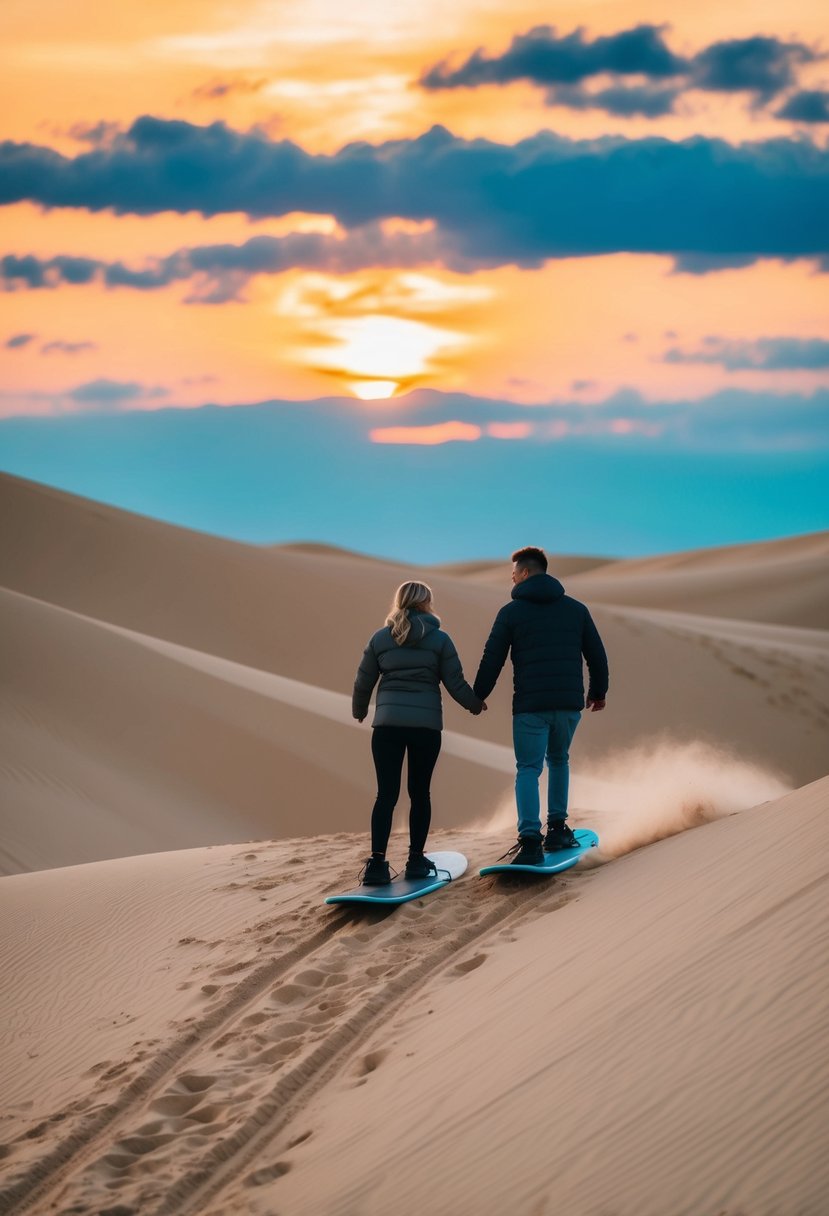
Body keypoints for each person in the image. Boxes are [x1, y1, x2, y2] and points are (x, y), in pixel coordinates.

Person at [473, 546, 608, 866]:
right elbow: (597, 655)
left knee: (528, 769)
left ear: (527, 572)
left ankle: (531, 840)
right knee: (559, 760)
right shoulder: (576, 609)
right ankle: (558, 829)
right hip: (567, 703)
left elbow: (493, 658)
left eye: (514, 573)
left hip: (530, 705)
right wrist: (598, 692)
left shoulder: (511, 612)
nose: (512, 578)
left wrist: (478, 696)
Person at [352, 581, 485, 885]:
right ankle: (415, 861)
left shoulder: (381, 638)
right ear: (427, 603)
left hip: (387, 726)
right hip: (425, 728)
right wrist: (474, 704)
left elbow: (363, 681)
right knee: (419, 793)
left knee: (386, 794)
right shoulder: (439, 639)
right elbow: (455, 682)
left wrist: (360, 710)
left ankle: (376, 864)